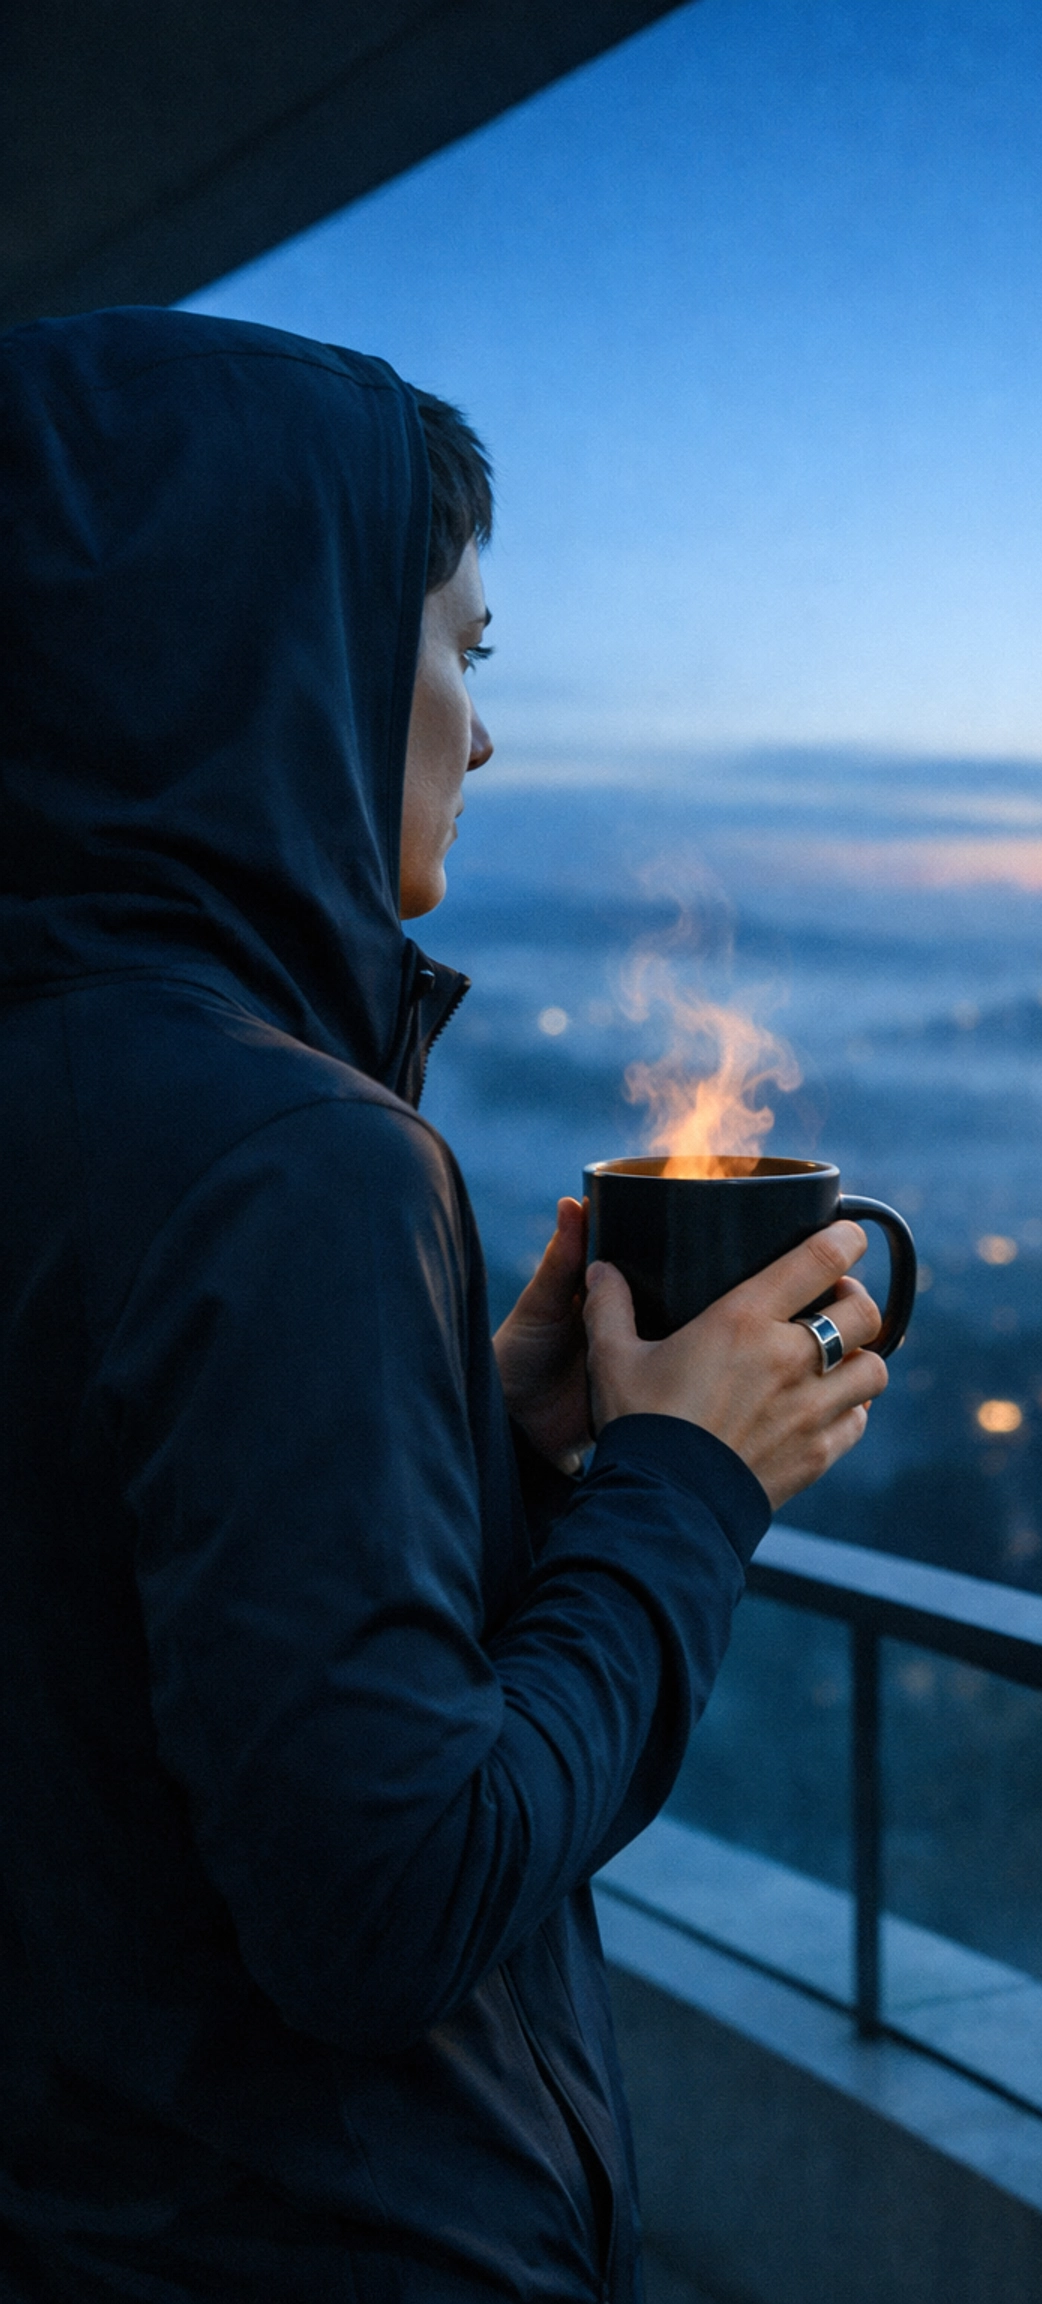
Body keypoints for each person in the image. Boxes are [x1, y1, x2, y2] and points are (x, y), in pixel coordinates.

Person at [0, 307, 888, 2303]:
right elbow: (384, 1902)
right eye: (459, 652)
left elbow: (100, 1623)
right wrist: (682, 1483)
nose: (481, 734)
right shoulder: (286, 1155)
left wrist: (470, 1439)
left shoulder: (79, 1090)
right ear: (270, 653)